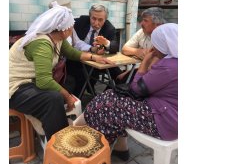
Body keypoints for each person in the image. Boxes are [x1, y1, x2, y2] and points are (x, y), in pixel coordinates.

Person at [9, 1, 114, 141]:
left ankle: (55, 129)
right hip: (15, 88)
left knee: (67, 85)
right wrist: (67, 96)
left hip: (30, 83)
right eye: (71, 26)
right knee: (53, 98)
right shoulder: (42, 43)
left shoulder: (57, 37)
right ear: (64, 29)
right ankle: (60, 143)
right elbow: (44, 81)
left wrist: (94, 57)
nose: (73, 28)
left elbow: (72, 53)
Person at [74, 23, 178, 161]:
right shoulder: (174, 61)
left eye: (155, 44)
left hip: (165, 120)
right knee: (110, 95)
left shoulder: (169, 66)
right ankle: (120, 148)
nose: (153, 48)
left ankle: (93, 148)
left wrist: (145, 63)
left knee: (107, 105)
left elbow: (136, 89)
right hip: (169, 114)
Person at [66, 4, 122, 97]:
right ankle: (80, 97)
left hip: (99, 60)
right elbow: (74, 41)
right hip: (78, 59)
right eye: (93, 18)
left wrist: (106, 43)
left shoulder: (109, 28)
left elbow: (115, 46)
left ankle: (105, 97)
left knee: (119, 74)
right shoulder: (81, 21)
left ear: (105, 19)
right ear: (89, 16)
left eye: (100, 20)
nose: (96, 23)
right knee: (83, 73)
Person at [118, 7, 166, 82]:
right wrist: (138, 51)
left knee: (121, 82)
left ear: (157, 25)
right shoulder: (142, 32)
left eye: (145, 21)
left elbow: (151, 68)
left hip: (154, 76)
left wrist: (129, 73)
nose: (141, 23)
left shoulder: (163, 38)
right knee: (117, 79)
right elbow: (124, 49)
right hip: (141, 69)